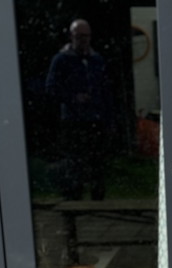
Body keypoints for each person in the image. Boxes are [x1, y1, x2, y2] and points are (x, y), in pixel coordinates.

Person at [46, 19, 112, 200]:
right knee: (75, 161)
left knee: (97, 161)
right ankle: (75, 200)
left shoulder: (96, 60)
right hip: (73, 120)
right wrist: (73, 97)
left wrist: (106, 114)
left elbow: (105, 88)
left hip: (95, 118)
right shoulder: (61, 59)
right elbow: (51, 88)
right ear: (71, 37)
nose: (83, 40)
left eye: (86, 36)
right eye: (79, 36)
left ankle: (98, 199)